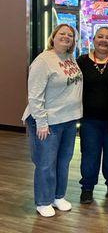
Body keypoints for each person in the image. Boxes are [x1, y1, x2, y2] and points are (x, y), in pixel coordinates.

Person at [23, 24, 83, 217]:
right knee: (46, 163)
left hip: (68, 120)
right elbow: (34, 95)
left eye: (70, 35)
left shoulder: (69, 57)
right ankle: (43, 200)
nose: (66, 37)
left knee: (64, 161)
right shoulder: (43, 60)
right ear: (53, 36)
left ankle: (58, 196)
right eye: (62, 33)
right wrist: (41, 121)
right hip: (48, 122)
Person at [77, 27, 108, 204]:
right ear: (93, 39)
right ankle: (87, 187)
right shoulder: (81, 61)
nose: (104, 40)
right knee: (89, 155)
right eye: (100, 37)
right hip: (89, 120)